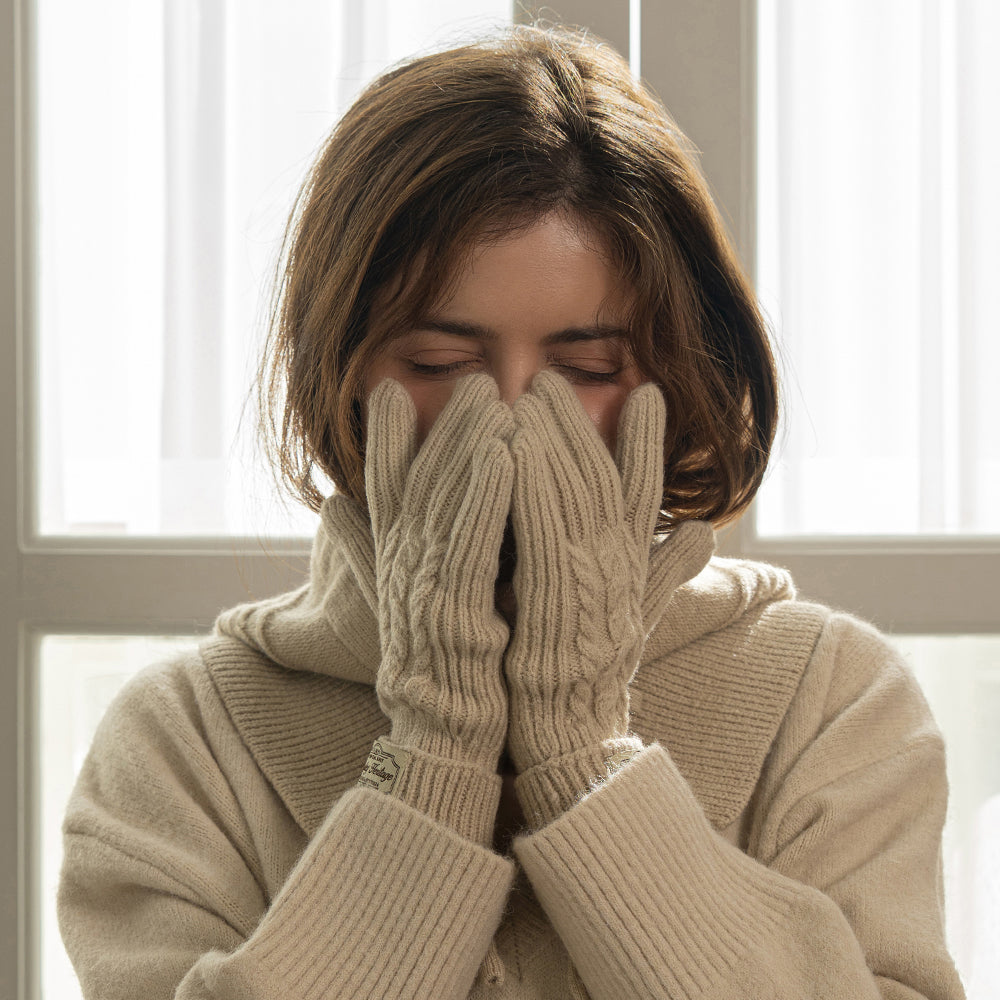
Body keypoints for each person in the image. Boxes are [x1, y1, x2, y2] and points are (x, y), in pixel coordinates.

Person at [57, 24, 965, 1000]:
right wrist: (437, 747)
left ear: (675, 378)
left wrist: (582, 750)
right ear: (345, 375)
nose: (517, 425)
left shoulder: (828, 702)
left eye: (586, 367)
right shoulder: (180, 743)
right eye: (443, 365)